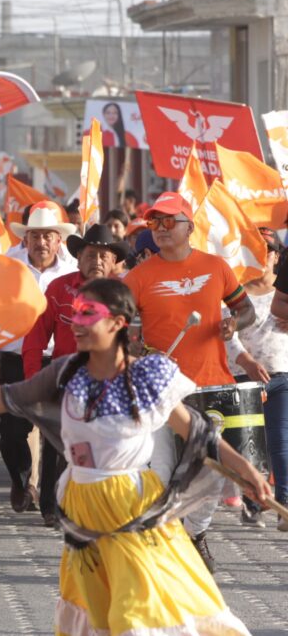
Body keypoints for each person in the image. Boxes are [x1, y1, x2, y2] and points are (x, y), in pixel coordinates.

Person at [0, 278, 267, 636]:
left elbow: (198, 432)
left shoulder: (146, 375)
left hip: (130, 505)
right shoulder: (65, 372)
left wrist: (246, 469)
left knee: (135, 614)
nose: (76, 321)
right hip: (83, 507)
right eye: (75, 313)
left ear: (117, 323)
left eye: (88, 313)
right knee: (99, 611)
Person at [123, 191, 256, 570]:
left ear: (189, 227)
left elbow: (246, 310)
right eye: (154, 223)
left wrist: (234, 323)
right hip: (161, 390)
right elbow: (123, 327)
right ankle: (158, 544)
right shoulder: (139, 276)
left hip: (212, 385)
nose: (161, 230)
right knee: (161, 472)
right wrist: (136, 348)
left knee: (212, 474)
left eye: (169, 222)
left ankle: (196, 534)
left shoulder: (216, 267)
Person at [21, 223, 127, 527]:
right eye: (91, 254)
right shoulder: (58, 288)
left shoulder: (124, 292)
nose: (97, 261)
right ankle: (52, 507)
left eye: (104, 256)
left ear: (113, 261)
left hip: (110, 381)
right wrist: (32, 380)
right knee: (58, 444)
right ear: (78, 256)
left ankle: (96, 504)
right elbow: (36, 336)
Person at [0, 201, 77, 514]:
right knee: (12, 431)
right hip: (16, 356)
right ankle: (21, 481)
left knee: (56, 431)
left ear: (59, 239)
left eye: (48, 235)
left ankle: (50, 500)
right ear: (25, 238)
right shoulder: (8, 266)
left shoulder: (72, 271)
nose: (42, 242)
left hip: (58, 359)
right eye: (35, 235)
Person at [230, 231, 288, 530]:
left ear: (277, 257)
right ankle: (252, 503)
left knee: (280, 443)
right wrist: (247, 362)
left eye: (267, 250)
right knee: (251, 446)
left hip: (283, 375)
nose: (260, 255)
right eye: (254, 248)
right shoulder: (236, 294)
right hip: (245, 377)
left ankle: (284, 506)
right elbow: (229, 338)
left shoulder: (284, 294)